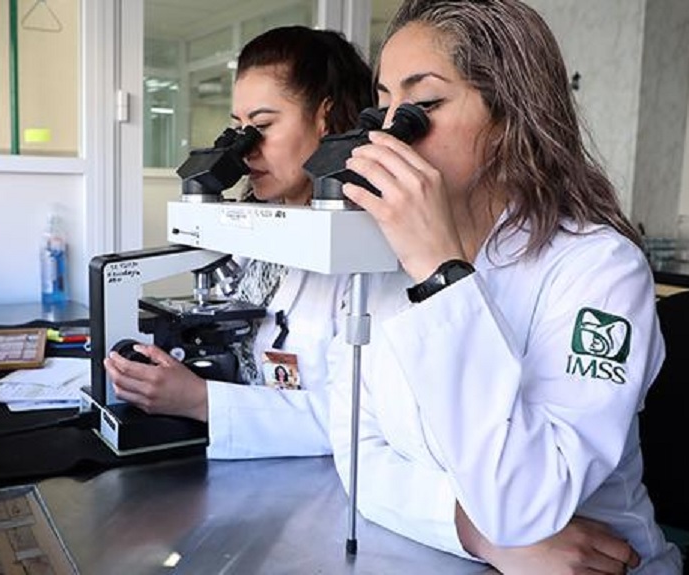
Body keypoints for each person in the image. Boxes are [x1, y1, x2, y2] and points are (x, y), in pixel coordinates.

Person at [328, 0, 683, 573]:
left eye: (423, 104)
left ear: (511, 117)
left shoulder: (602, 270)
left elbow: (526, 501)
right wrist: (473, 531)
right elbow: (355, 452)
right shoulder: (380, 263)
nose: (392, 131)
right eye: (384, 103)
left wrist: (440, 273)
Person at [103, 25, 374, 459]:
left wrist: (198, 399)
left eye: (262, 125)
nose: (246, 150)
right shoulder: (257, 224)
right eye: (238, 129)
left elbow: (357, 423)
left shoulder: (365, 250)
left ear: (327, 119)